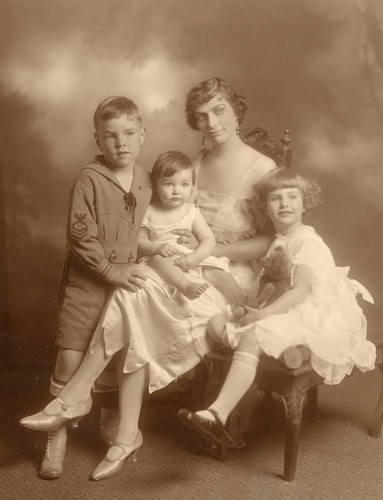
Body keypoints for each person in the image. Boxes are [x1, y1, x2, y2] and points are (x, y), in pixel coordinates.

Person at [20, 78, 276, 480]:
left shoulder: (263, 168)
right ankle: (122, 431)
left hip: (228, 273)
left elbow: (266, 241)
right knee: (136, 292)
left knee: (134, 298)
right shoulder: (197, 161)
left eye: (219, 111)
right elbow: (161, 216)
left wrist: (207, 254)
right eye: (201, 116)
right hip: (176, 261)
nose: (210, 122)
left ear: (236, 111)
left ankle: (81, 403)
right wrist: (165, 249)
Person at [178, 167, 376, 452]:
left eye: (292, 197)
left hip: (312, 311)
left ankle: (217, 414)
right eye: (275, 198)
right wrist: (251, 307)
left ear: (305, 203)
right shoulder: (278, 242)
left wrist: (262, 316)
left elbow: (301, 291)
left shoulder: (307, 241)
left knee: (252, 334)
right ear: (265, 207)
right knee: (215, 323)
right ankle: (281, 351)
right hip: (284, 306)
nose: (284, 204)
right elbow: (269, 287)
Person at [30, 96, 152, 479]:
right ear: (98, 141)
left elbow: (153, 228)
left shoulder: (147, 180)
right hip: (88, 283)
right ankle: (57, 436)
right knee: (72, 356)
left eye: (129, 133)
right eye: (111, 136)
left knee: (118, 354)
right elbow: (80, 236)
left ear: (142, 135)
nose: (121, 143)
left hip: (127, 283)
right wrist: (110, 270)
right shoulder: (89, 179)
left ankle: (111, 426)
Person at [139, 150, 245, 303]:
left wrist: (194, 258)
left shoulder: (190, 211)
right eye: (169, 184)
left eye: (184, 184)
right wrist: (156, 248)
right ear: (156, 186)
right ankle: (185, 286)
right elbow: (140, 240)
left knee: (220, 274)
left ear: (192, 187)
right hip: (164, 256)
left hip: (191, 256)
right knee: (159, 260)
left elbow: (208, 239)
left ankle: (242, 306)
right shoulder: (149, 211)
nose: (176, 191)